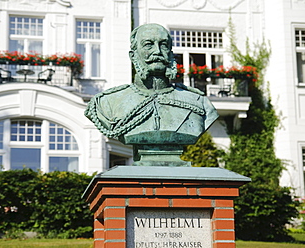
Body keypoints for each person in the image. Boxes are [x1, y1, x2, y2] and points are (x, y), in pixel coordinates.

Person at [85, 24, 218, 164]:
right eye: (148, 45)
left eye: (164, 45)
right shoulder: (107, 103)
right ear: (133, 55)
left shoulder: (199, 102)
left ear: (171, 55)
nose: (157, 51)